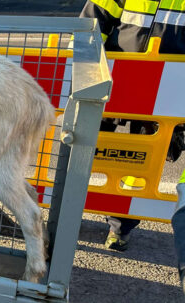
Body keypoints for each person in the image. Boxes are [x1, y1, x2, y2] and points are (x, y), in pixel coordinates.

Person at [80, 0, 185, 251]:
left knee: (140, 163)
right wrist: (85, 69)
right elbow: (93, 20)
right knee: (82, 148)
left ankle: (120, 227)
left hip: (168, 88)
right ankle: (64, 217)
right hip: (115, 78)